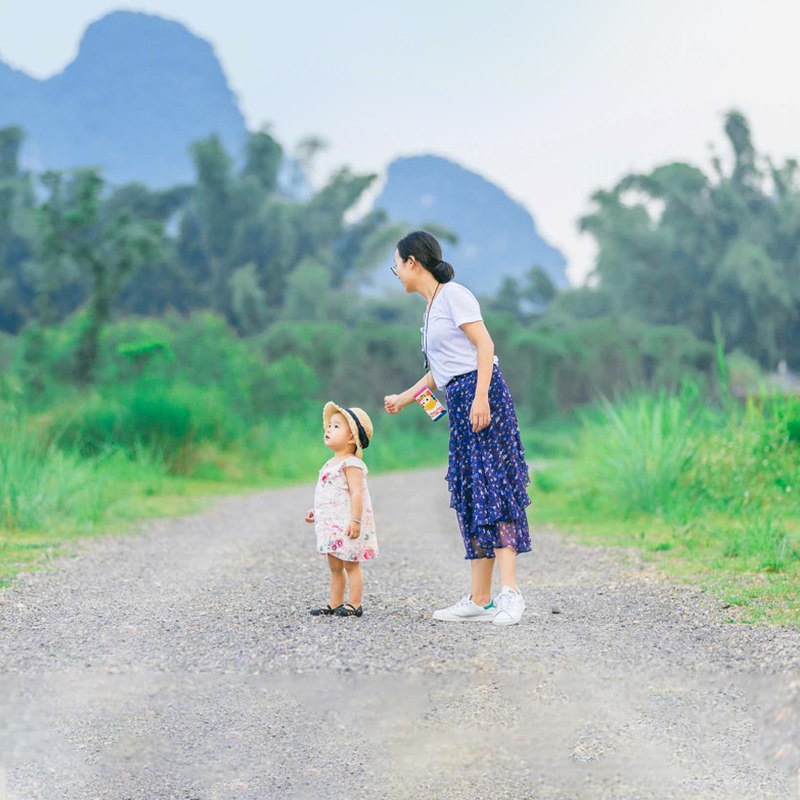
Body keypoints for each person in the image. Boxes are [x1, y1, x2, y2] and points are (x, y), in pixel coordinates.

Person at [384, 231, 531, 626]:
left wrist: (481, 396)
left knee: (495, 486)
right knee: (471, 492)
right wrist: (405, 396)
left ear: (413, 262)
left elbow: (484, 346)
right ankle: (480, 599)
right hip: (460, 398)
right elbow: (441, 369)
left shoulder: (454, 295)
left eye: (396, 264)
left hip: (483, 396)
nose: (396, 272)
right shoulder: (431, 308)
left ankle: (510, 593)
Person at [305, 402, 377, 618]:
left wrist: (355, 521)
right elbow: (330, 495)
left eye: (336, 427)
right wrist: (315, 512)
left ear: (352, 438)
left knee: (351, 565)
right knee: (335, 567)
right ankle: (335, 603)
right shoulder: (330, 464)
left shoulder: (351, 464)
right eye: (329, 425)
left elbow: (357, 494)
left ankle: (355, 604)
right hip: (331, 526)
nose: (328, 429)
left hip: (346, 525)